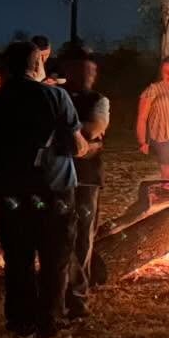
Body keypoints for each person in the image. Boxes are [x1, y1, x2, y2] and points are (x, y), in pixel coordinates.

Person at [0, 40, 86, 338]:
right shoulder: (56, 97)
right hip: (54, 190)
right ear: (37, 65)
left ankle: (20, 323)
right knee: (55, 258)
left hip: (12, 193)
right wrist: (86, 146)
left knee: (18, 259)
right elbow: (75, 146)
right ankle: (49, 322)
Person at [60, 45, 109, 323]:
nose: (88, 75)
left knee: (83, 236)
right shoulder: (58, 95)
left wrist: (67, 133)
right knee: (61, 233)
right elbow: (85, 136)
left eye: (91, 70)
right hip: (59, 177)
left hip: (88, 177)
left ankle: (78, 291)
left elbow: (95, 128)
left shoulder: (99, 100)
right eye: (81, 70)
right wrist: (81, 140)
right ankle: (63, 287)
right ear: (69, 70)